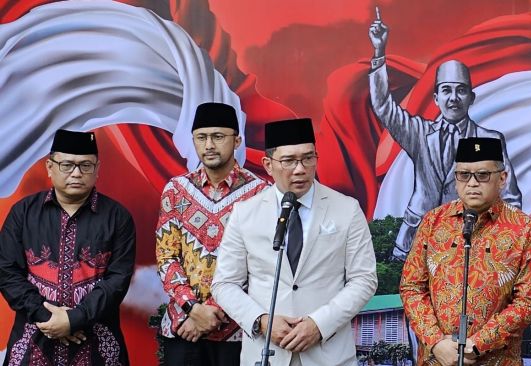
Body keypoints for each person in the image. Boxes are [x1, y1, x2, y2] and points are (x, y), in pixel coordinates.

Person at [212, 118, 377, 365]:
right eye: (288, 161)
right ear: (268, 165)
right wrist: (262, 321)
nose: (300, 169)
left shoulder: (346, 209)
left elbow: (363, 279)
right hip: (267, 353)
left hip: (328, 353)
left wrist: (319, 324)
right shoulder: (245, 213)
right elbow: (225, 283)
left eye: (308, 158)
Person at [368, 16, 522, 260]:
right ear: (436, 98)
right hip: (415, 243)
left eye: (461, 90)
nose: (453, 98)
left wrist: (502, 242)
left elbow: (510, 196)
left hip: (471, 243)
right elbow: (383, 106)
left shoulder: (489, 139)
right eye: (446, 90)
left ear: (471, 98)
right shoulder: (418, 133)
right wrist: (379, 51)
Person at [400, 137, 531, 366]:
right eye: (464, 175)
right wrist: (436, 341)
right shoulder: (433, 222)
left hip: (497, 359)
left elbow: (529, 302)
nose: (473, 183)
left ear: (502, 179)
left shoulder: (525, 230)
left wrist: (479, 344)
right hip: (436, 359)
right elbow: (411, 287)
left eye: (483, 175)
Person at [0, 129, 136, 365]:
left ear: (97, 169)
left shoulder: (117, 217)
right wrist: (49, 318)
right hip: (34, 337)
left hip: (97, 343)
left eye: (85, 165)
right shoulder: (23, 213)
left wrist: (75, 319)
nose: (76, 173)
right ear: (50, 168)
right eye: (66, 165)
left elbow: (118, 280)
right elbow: (7, 272)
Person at [155, 102, 268, 365]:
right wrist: (192, 309)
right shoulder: (176, 190)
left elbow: (261, 265)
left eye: (218, 137)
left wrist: (213, 314)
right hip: (184, 328)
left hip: (238, 334)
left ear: (237, 140)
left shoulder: (259, 193)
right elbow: (166, 258)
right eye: (201, 137)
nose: (209, 145)